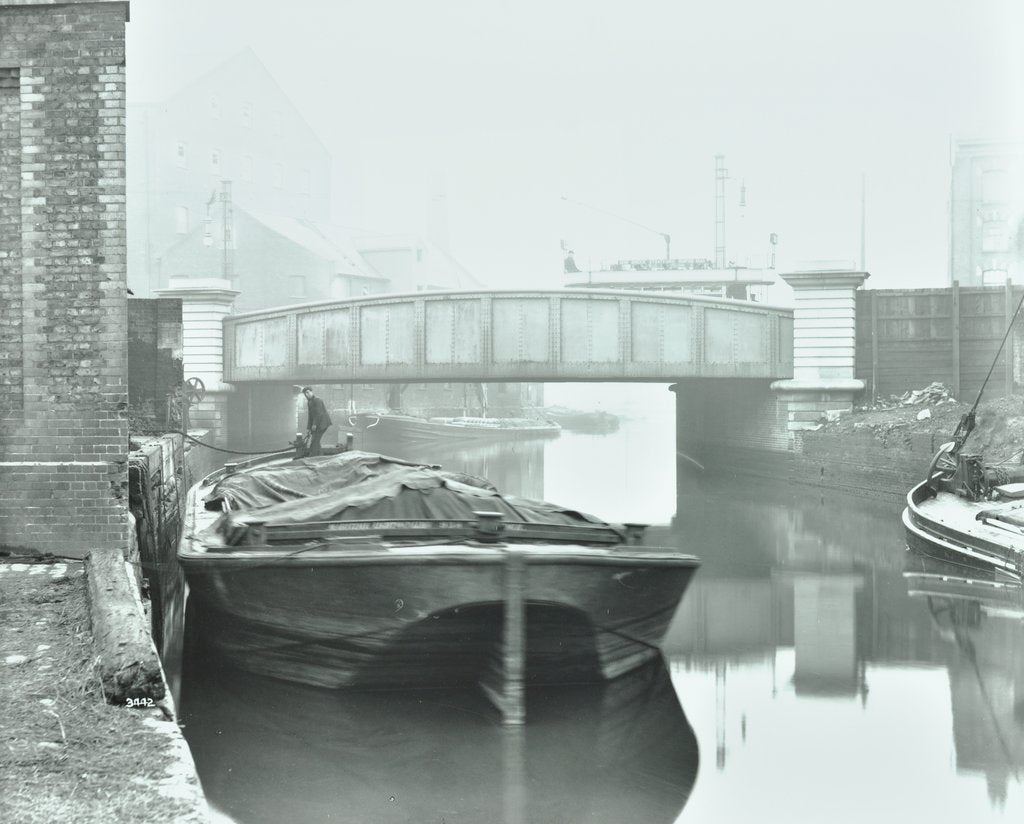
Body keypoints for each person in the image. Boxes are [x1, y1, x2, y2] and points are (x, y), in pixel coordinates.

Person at [302, 386, 332, 456]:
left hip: (322, 424)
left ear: (311, 392)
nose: (306, 395)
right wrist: (309, 428)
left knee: (315, 441)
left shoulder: (317, 400)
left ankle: (314, 456)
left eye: (308, 392)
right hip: (317, 424)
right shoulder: (309, 402)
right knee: (316, 441)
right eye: (305, 394)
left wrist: (314, 424)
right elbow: (310, 416)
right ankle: (320, 456)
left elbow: (319, 414)